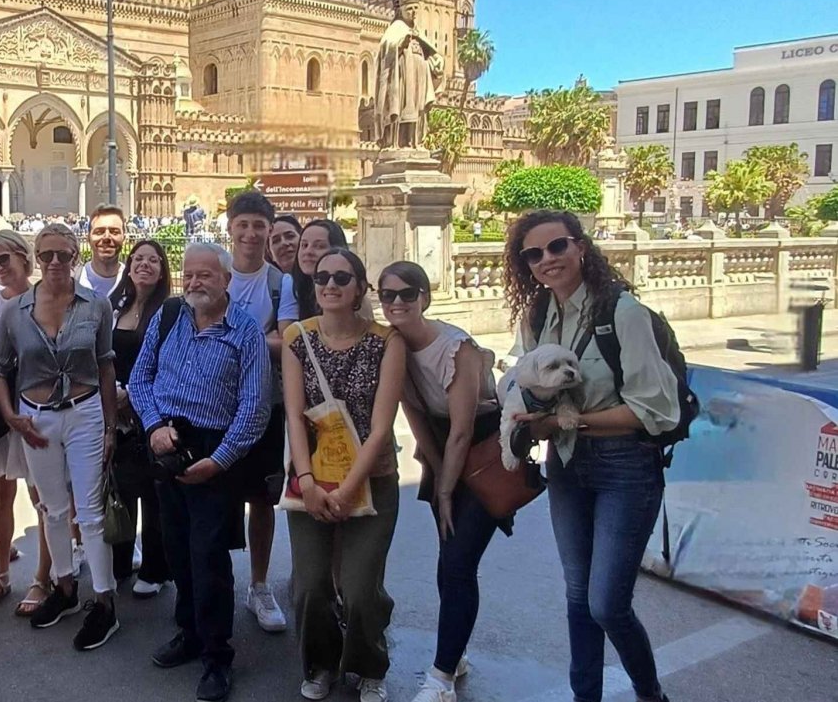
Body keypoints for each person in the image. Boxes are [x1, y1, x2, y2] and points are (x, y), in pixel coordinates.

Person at [504, 210, 679, 702]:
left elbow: (655, 411)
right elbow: (526, 380)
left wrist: (569, 421)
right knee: (578, 600)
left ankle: (650, 694)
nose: (546, 260)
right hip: (566, 465)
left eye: (556, 247)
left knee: (606, 603)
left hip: (625, 466)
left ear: (580, 247)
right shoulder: (538, 315)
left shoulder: (623, 312)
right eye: (533, 254)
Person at [129, 243, 270, 702]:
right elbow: (139, 379)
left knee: (209, 556)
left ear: (226, 280)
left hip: (214, 449)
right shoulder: (169, 317)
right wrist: (152, 428)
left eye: (205, 275)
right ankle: (188, 632)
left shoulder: (244, 331)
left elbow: (254, 407)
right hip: (167, 442)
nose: (194, 283)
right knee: (176, 550)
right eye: (188, 274)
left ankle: (216, 655)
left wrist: (220, 460)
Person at [282, 247, 405, 702]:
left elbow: (380, 428)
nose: (330, 285)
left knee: (358, 588)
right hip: (311, 476)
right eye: (321, 278)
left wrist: (350, 488)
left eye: (341, 277)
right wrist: (309, 482)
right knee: (311, 584)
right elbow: (295, 416)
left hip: (371, 478)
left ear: (359, 288)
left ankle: (368, 665)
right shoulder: (299, 337)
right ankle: (319, 663)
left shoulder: (386, 342)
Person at [0, 224, 120, 651]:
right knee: (52, 509)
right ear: (37, 258)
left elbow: (105, 366)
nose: (57, 263)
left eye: (65, 255)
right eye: (48, 255)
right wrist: (11, 416)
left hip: (83, 415)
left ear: (75, 257)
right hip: (36, 419)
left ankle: (104, 601)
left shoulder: (96, 306)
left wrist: (108, 425)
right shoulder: (15, 310)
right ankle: (64, 588)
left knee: (91, 511)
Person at [378, 261, 500, 702]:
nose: (396, 303)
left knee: (459, 562)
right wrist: (436, 477)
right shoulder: (394, 346)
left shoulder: (454, 347)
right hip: (441, 450)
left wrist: (447, 490)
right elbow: (413, 413)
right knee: (449, 559)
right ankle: (456, 650)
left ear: (424, 298)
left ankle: (441, 677)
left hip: (484, 450)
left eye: (406, 294)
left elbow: (465, 428)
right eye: (387, 294)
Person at [218, 190, 289, 633]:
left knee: (263, 499)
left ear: (268, 230)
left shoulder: (279, 283)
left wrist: (236, 340)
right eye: (242, 224)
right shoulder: (213, 274)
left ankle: (259, 586)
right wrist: (258, 338)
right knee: (217, 497)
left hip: (265, 404)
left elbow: (289, 339)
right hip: (213, 406)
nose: (249, 233)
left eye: (258, 225)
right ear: (230, 228)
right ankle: (217, 583)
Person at [0, 229, 49, 615]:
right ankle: (0, 573)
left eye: (4, 259)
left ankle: (43, 577)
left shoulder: (44, 297)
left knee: (42, 497)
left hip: (33, 406)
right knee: (0, 494)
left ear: (22, 257)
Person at [106, 238, 172, 596]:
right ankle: (119, 560)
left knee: (154, 492)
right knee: (122, 488)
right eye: (138, 259)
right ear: (129, 266)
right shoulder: (114, 306)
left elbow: (169, 362)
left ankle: (155, 568)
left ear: (162, 270)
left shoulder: (170, 311)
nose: (144, 264)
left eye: (153, 260)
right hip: (115, 411)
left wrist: (132, 394)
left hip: (151, 408)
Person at [278, 219, 351, 331]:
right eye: (304, 245)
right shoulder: (294, 285)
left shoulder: (350, 291)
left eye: (319, 246)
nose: (308, 251)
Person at [78, 205, 126, 298]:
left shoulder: (134, 283)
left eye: (114, 232)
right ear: (88, 238)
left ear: (124, 238)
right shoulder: (73, 282)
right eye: (99, 232)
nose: (106, 237)